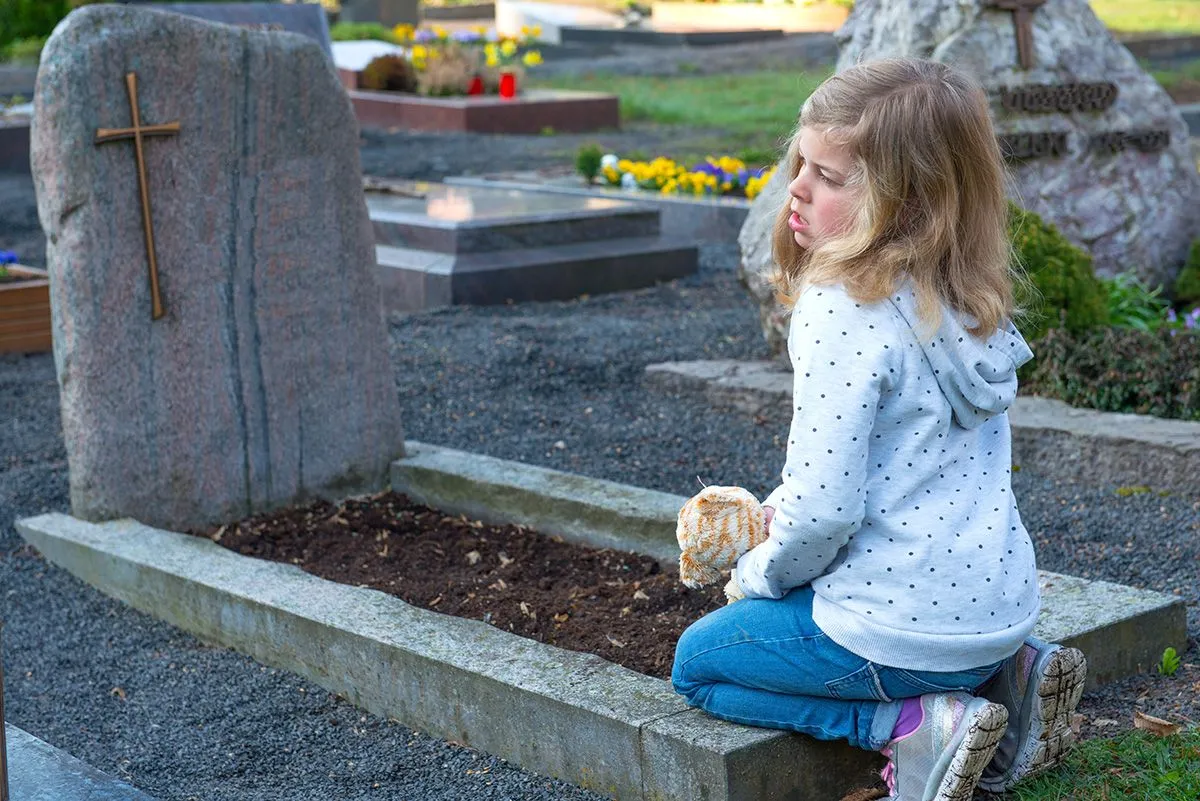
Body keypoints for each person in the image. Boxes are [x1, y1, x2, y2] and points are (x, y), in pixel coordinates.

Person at [671, 57, 1086, 800]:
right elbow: (900, 465)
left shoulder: (839, 307)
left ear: (910, 201)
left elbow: (826, 511)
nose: (796, 186)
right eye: (803, 162)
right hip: (996, 610)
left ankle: (912, 726)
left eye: (830, 177)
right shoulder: (964, 293)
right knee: (808, 616)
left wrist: (755, 573)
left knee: (699, 663)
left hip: (900, 634)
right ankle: (1014, 675)